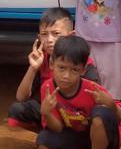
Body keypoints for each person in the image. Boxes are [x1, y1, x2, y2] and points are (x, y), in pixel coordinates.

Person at [36, 35, 121, 149]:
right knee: (43, 143)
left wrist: (110, 103)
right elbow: (57, 129)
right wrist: (47, 113)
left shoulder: (91, 88)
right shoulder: (48, 88)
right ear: (51, 64)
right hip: (81, 139)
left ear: (83, 70)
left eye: (74, 70)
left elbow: (120, 118)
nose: (66, 75)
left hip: (108, 141)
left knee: (101, 113)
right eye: (61, 67)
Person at [8, 8, 102, 140]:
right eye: (44, 34)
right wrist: (33, 68)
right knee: (17, 110)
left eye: (56, 33)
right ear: (39, 37)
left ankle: (65, 143)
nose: (50, 40)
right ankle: (48, 135)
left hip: (76, 115)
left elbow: (96, 98)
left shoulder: (82, 63)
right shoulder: (42, 59)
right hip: (51, 113)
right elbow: (21, 97)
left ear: (71, 35)